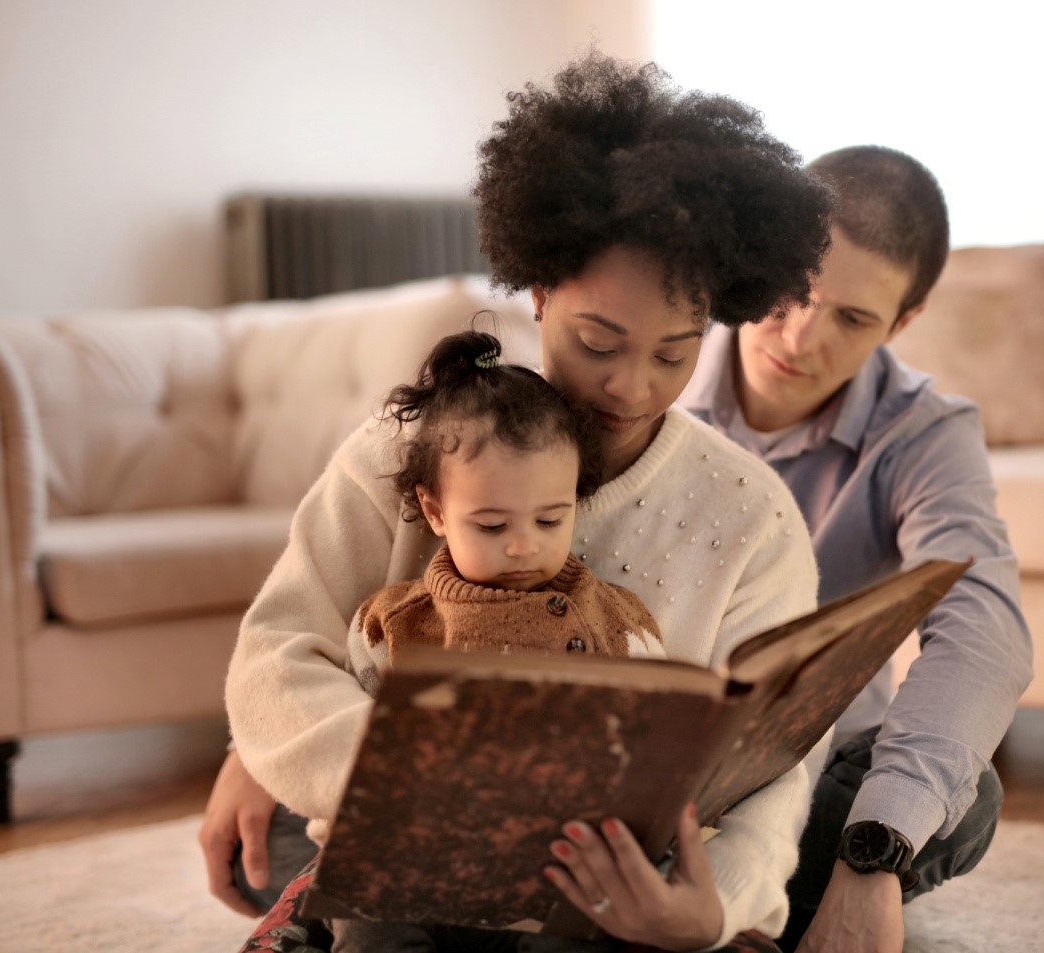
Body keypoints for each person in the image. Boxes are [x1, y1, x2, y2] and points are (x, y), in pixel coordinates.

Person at [205, 53, 836, 953]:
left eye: (674, 353)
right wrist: (393, 787)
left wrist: (720, 904)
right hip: (403, 832)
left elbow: (778, 754)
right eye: (598, 340)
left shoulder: (751, 512)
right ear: (539, 292)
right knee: (265, 828)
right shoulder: (407, 451)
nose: (631, 386)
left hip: (621, 876)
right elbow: (277, 652)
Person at [679, 145, 1034, 953]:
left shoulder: (922, 430)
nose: (800, 338)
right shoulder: (652, 365)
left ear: (902, 324)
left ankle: (767, 896)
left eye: (853, 318)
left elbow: (987, 631)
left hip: (807, 780)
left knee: (963, 794)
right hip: (640, 769)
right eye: (794, 290)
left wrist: (872, 854)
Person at [332, 329, 664, 952]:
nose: (522, 545)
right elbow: (354, 741)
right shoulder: (393, 624)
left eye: (549, 519)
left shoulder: (617, 620)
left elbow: (658, 732)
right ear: (433, 513)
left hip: (555, 865)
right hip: (424, 858)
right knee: (361, 902)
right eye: (490, 524)